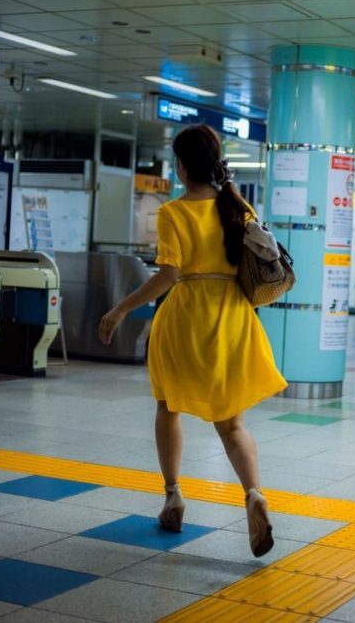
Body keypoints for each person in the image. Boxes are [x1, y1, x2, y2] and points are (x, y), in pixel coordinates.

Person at [98, 124, 285, 558]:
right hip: (234, 318)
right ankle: (254, 494)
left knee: (168, 407)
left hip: (185, 317)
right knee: (232, 422)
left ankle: (173, 496)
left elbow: (169, 275)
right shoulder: (238, 207)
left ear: (181, 165)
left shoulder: (173, 212)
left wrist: (122, 308)